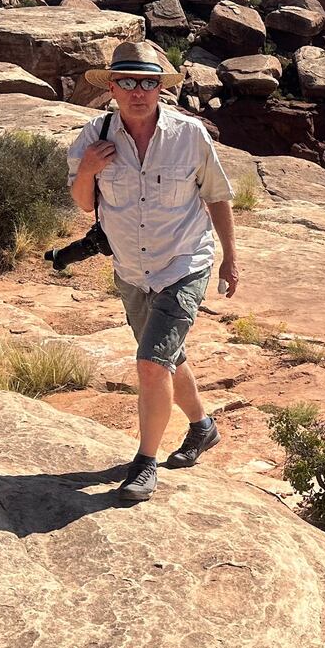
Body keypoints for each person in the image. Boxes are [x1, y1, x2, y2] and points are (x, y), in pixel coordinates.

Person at [66, 41, 239, 502]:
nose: (138, 91)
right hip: (131, 268)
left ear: (161, 88)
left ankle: (144, 464)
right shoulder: (93, 137)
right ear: (113, 89)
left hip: (184, 261)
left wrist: (230, 258)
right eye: (127, 81)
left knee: (148, 363)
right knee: (164, 357)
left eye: (148, 82)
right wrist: (87, 168)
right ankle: (202, 427)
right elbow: (85, 203)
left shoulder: (189, 135)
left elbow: (217, 195)